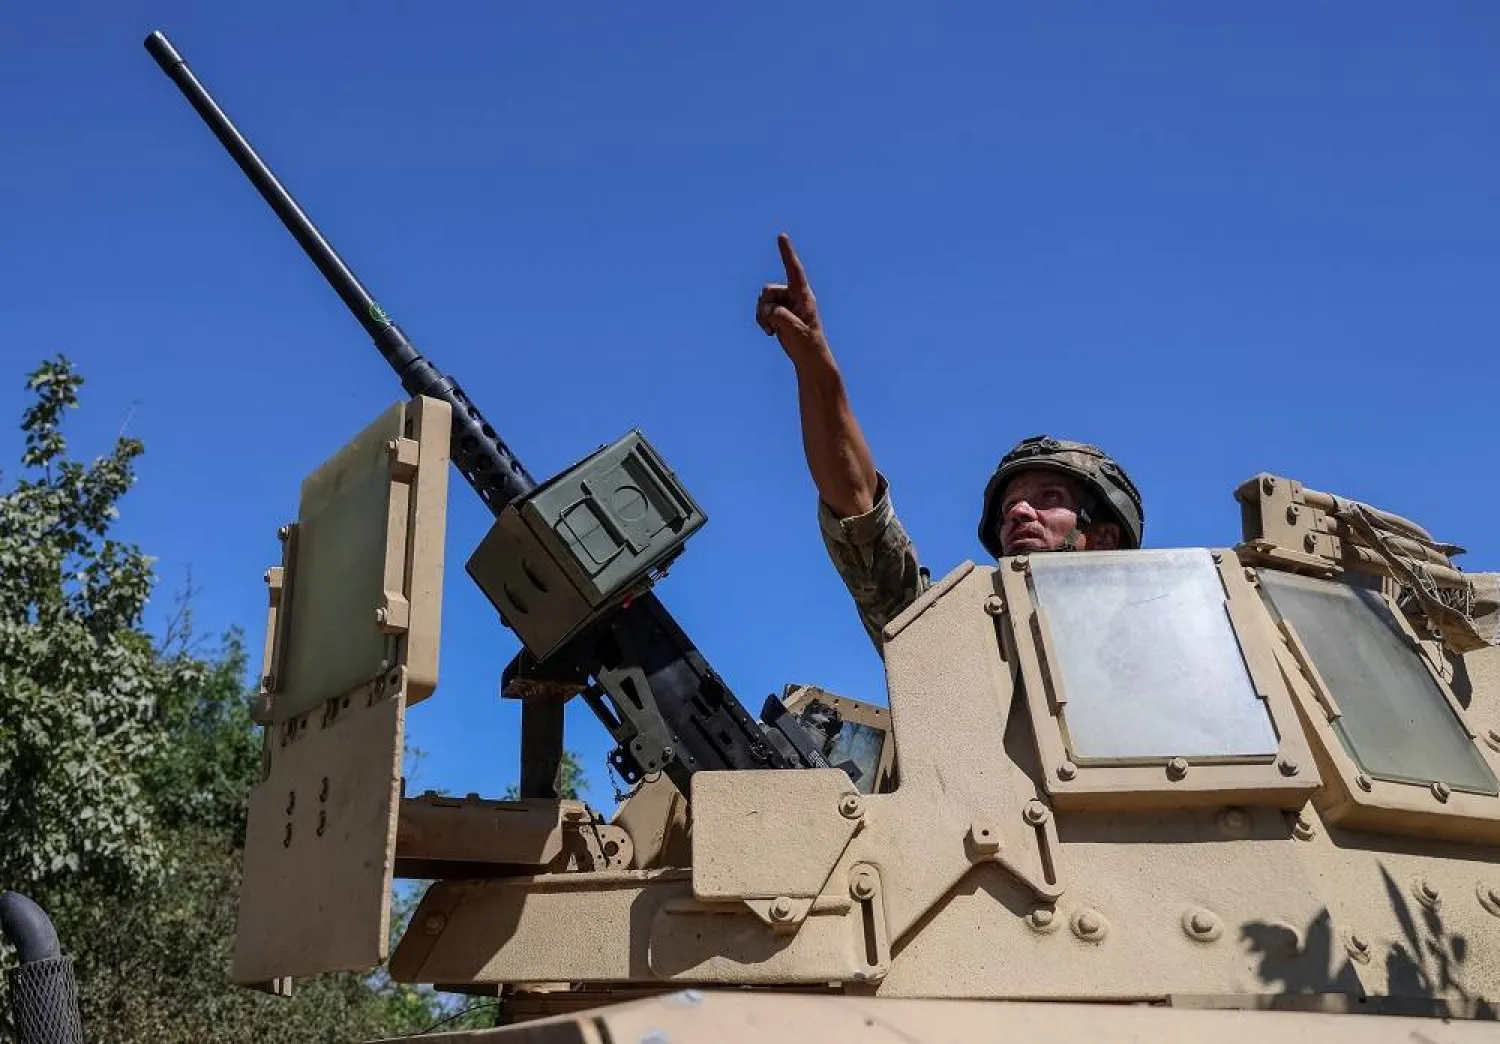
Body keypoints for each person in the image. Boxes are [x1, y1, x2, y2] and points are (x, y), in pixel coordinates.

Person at [755, 233, 1146, 649]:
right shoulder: (964, 647)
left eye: (1049, 497)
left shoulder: (1173, 642)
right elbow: (859, 512)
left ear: (1104, 537)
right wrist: (814, 362)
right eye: (1010, 505)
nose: (1019, 512)